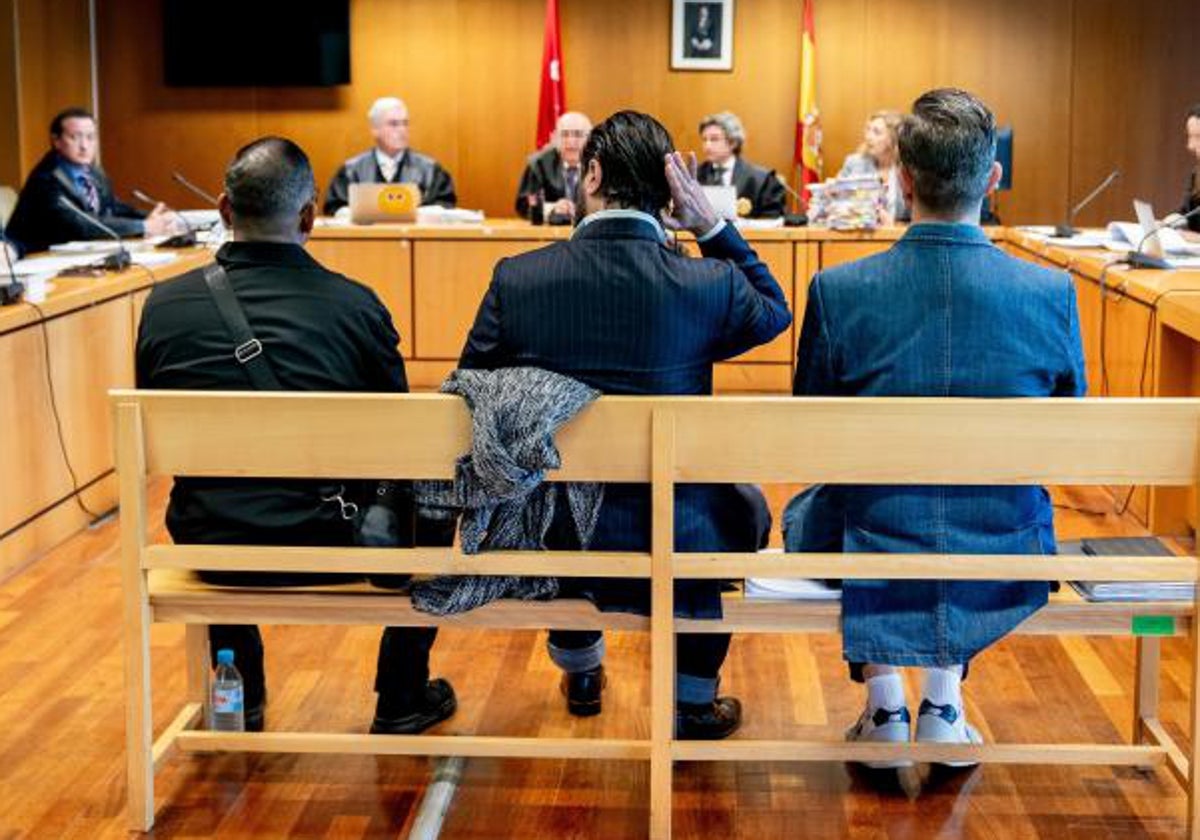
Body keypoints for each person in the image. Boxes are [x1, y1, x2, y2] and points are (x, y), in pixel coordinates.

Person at [459, 110, 791, 739]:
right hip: (678, 531)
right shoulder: (708, 282)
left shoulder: (519, 278)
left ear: (593, 174)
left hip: (555, 534)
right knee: (730, 507)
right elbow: (773, 312)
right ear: (671, 192)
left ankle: (581, 666)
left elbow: (469, 385)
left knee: (554, 490)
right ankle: (691, 700)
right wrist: (713, 227)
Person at [785, 89, 1085, 766]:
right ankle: (943, 706)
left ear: (903, 178)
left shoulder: (839, 290)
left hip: (869, 534)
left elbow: (808, 428)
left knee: (828, 509)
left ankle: (886, 704)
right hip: (1004, 539)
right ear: (992, 178)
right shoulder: (1050, 294)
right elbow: (1069, 428)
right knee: (978, 500)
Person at [137, 137, 456, 735]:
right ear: (311, 215)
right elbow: (403, 444)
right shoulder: (357, 308)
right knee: (434, 498)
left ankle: (242, 691)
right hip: (338, 538)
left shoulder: (164, 307)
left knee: (225, 487)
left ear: (226, 212)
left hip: (213, 542)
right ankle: (401, 694)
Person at [7, 107, 177, 254]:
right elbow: (81, 225)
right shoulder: (45, 180)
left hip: (77, 255)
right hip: (37, 259)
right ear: (56, 141)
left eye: (90, 137)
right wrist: (144, 227)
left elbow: (112, 208)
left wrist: (156, 218)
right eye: (75, 137)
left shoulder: (94, 172)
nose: (84, 146)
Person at [323, 97, 457, 215]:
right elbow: (334, 208)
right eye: (394, 124)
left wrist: (422, 213)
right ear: (375, 129)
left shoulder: (430, 170)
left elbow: (446, 205)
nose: (402, 130)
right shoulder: (351, 170)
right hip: (368, 241)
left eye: (405, 123)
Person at [695, 112, 787, 219]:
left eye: (714, 139)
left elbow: (773, 219)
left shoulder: (762, 179)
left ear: (733, 142)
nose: (707, 146)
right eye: (704, 139)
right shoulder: (693, 176)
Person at [513, 111, 592, 221]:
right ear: (555, 137)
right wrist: (551, 208)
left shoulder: (599, 165)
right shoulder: (539, 164)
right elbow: (523, 205)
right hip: (549, 234)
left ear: (590, 139)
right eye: (564, 134)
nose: (571, 141)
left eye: (578, 134)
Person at [839, 110, 909, 225]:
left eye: (876, 132)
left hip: (898, 235)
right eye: (868, 130)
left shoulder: (907, 168)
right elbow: (838, 205)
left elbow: (915, 214)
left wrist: (894, 224)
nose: (868, 137)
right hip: (859, 236)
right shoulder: (853, 164)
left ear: (893, 138)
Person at [1167, 103, 1200, 235]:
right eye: (1189, 136)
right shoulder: (1197, 175)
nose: (1190, 145)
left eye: (1198, 137)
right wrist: (1166, 224)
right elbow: (1186, 213)